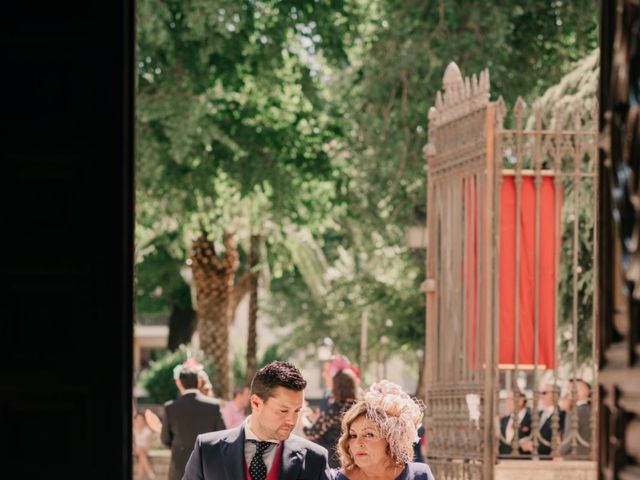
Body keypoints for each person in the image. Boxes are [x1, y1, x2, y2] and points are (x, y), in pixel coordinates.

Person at [183, 360, 332, 480]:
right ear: (256, 403)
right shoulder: (208, 449)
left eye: (297, 411)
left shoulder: (315, 459)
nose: (292, 420)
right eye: (283, 410)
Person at [333, 380, 435, 480]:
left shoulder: (420, 475)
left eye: (369, 434)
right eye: (353, 435)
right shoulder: (334, 478)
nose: (358, 443)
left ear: (391, 439)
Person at [161, 358, 226, 480]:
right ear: (199, 382)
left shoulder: (170, 407)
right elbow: (222, 437)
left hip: (179, 468)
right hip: (207, 467)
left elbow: (165, 439)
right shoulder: (213, 406)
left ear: (179, 382)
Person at [304, 369, 359, 467]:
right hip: (354, 459)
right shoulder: (358, 407)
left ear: (337, 387)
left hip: (333, 460)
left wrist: (301, 417)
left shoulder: (336, 408)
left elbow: (312, 432)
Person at [520, 383, 566, 457]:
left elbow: (558, 440)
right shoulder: (538, 414)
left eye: (544, 393)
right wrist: (525, 442)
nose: (541, 396)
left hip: (549, 459)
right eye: (540, 393)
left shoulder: (562, 415)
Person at [558, 379, 592, 457]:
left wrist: (558, 452)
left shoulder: (574, 413)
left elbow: (568, 441)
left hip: (574, 457)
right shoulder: (592, 410)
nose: (568, 393)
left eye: (570, 390)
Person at [498, 389, 531, 456]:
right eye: (507, 399)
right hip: (504, 461)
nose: (508, 402)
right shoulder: (504, 420)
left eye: (511, 399)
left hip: (523, 462)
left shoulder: (531, 419)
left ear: (521, 401)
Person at [133, 412, 156, 480]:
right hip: (136, 449)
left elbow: (147, 445)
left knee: (141, 456)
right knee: (141, 452)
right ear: (135, 420)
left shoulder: (147, 431)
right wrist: (136, 448)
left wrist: (141, 449)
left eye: (141, 420)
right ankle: (149, 472)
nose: (139, 422)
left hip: (144, 450)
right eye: (138, 420)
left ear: (144, 421)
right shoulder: (133, 430)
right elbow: (134, 443)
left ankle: (139, 478)